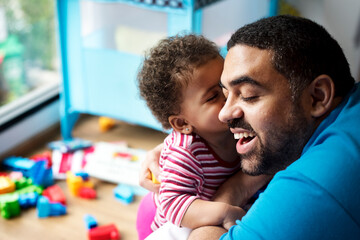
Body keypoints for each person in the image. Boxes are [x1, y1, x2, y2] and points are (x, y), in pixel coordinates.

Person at [140, 15, 360, 240]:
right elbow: (173, 200)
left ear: (317, 96)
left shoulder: (312, 186)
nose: (225, 112)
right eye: (223, 93)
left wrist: (231, 194)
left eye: (248, 95)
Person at [136, 34, 270, 239]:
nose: (228, 96)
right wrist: (224, 212)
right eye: (213, 96)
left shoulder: (235, 124)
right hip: (169, 226)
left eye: (225, 84)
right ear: (182, 123)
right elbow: (174, 204)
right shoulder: (186, 152)